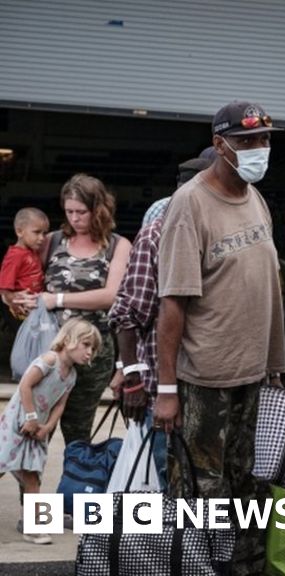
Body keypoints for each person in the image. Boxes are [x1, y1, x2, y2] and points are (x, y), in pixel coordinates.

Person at [154, 100, 285, 576]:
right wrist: (166, 390)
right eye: (248, 141)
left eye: (265, 139)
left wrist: (274, 366)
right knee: (198, 494)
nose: (259, 149)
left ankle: (244, 570)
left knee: (249, 488)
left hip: (253, 378)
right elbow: (173, 305)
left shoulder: (255, 197)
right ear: (220, 145)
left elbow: (264, 288)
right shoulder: (189, 204)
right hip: (203, 381)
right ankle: (191, 569)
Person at [108, 152, 214, 488]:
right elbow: (127, 312)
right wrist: (134, 378)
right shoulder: (156, 234)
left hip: (212, 385)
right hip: (164, 389)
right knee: (168, 481)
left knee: (204, 486)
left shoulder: (220, 231)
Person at [15, 174, 131, 445]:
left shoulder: (117, 245)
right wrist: (16, 298)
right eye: (69, 212)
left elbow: (111, 296)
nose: (75, 218)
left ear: (98, 210)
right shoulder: (52, 241)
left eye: (82, 212)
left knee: (78, 431)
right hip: (51, 348)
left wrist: (57, 300)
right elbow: (26, 279)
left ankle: (75, 485)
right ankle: (29, 488)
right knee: (33, 427)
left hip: (93, 352)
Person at [0, 318, 100, 544]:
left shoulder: (71, 376)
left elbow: (60, 404)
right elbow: (25, 385)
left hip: (37, 430)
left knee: (32, 476)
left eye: (92, 349)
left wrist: (47, 427)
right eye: (86, 345)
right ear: (68, 340)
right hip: (18, 424)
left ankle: (32, 525)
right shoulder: (49, 360)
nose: (89, 353)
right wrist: (31, 417)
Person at [0, 208, 49, 319]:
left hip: (36, 306)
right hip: (23, 309)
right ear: (19, 231)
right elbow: (3, 287)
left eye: (44, 233)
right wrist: (14, 302)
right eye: (36, 232)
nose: (42, 238)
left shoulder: (32, 251)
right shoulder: (15, 256)